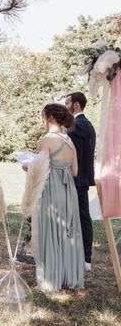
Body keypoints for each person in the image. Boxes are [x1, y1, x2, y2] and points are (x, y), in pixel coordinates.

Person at [34, 103, 84, 291]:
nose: (42, 119)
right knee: (67, 231)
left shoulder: (45, 140)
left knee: (51, 231)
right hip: (68, 190)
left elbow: (41, 170)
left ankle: (50, 280)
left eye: (43, 116)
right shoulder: (69, 140)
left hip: (51, 189)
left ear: (51, 119)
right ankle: (69, 277)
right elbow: (75, 171)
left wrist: (26, 167)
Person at [65, 92, 96, 271]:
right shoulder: (88, 124)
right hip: (82, 179)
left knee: (81, 217)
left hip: (75, 179)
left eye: (67, 102)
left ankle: (84, 257)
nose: (65, 106)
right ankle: (84, 257)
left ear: (76, 105)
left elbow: (72, 157)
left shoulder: (76, 126)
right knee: (83, 216)